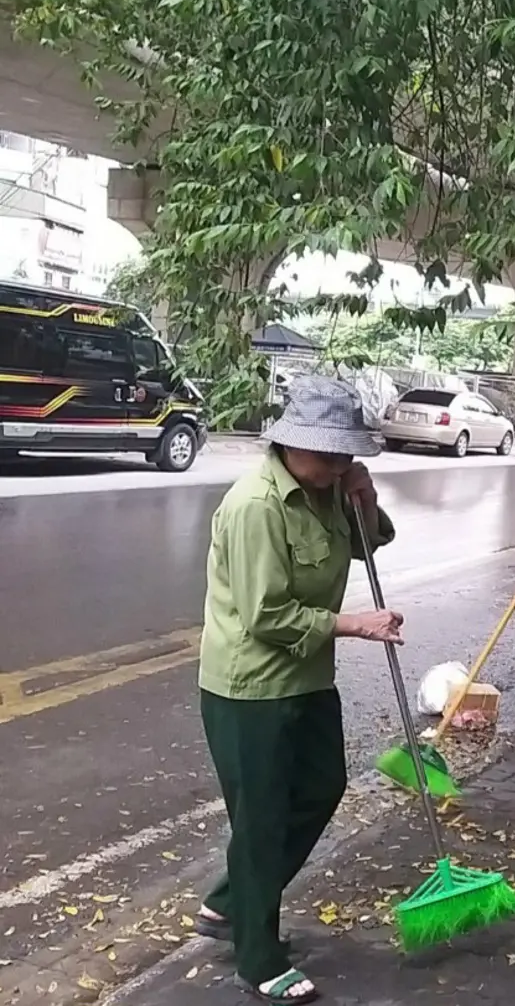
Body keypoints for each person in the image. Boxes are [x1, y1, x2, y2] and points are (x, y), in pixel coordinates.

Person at [194, 377, 403, 1005]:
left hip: (310, 676)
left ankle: (230, 901)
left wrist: (363, 498)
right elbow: (266, 616)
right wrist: (354, 624)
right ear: (292, 444)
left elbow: (374, 544)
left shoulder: (329, 489)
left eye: (347, 454)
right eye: (331, 453)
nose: (341, 463)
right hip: (249, 687)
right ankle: (257, 956)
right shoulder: (257, 504)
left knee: (322, 786)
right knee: (259, 823)